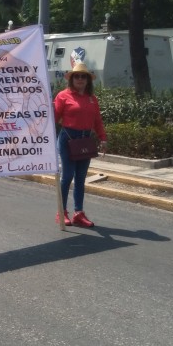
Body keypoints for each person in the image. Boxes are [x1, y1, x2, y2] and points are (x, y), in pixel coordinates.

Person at [53, 61, 107, 228]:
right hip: (68, 138)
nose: (80, 79)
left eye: (84, 76)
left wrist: (103, 138)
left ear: (88, 80)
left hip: (85, 140)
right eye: (77, 76)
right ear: (72, 79)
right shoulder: (63, 96)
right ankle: (61, 213)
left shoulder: (92, 99)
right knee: (67, 176)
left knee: (81, 178)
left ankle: (78, 213)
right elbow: (54, 118)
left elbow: (97, 120)